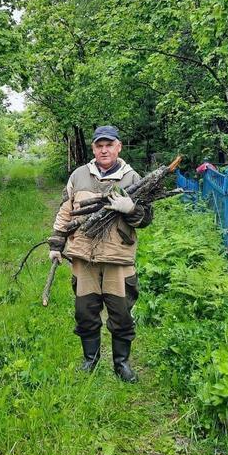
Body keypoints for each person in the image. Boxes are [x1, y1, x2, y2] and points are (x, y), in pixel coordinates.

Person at [48, 125, 153, 382]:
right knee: (85, 311)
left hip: (118, 258)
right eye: (99, 145)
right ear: (93, 148)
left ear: (118, 147)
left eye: (109, 145)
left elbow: (146, 219)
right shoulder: (79, 175)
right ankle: (90, 360)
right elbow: (65, 211)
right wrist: (56, 244)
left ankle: (121, 364)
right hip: (84, 257)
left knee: (121, 313)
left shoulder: (132, 178)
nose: (104, 150)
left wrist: (132, 210)